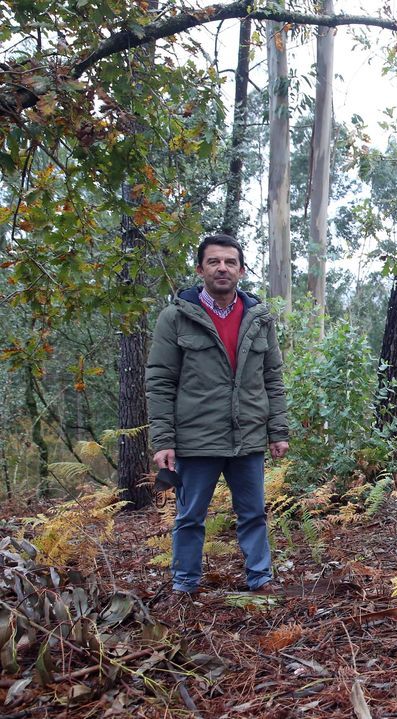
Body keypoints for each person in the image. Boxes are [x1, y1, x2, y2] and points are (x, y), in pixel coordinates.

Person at [146, 234, 289, 596]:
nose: (222, 268)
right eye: (213, 262)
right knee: (190, 518)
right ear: (200, 269)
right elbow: (160, 382)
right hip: (196, 439)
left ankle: (261, 579)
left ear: (241, 270)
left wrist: (278, 429)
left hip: (248, 436)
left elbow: (272, 376)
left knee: (254, 514)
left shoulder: (259, 318)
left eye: (229, 262)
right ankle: (184, 586)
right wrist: (163, 441)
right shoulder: (175, 317)